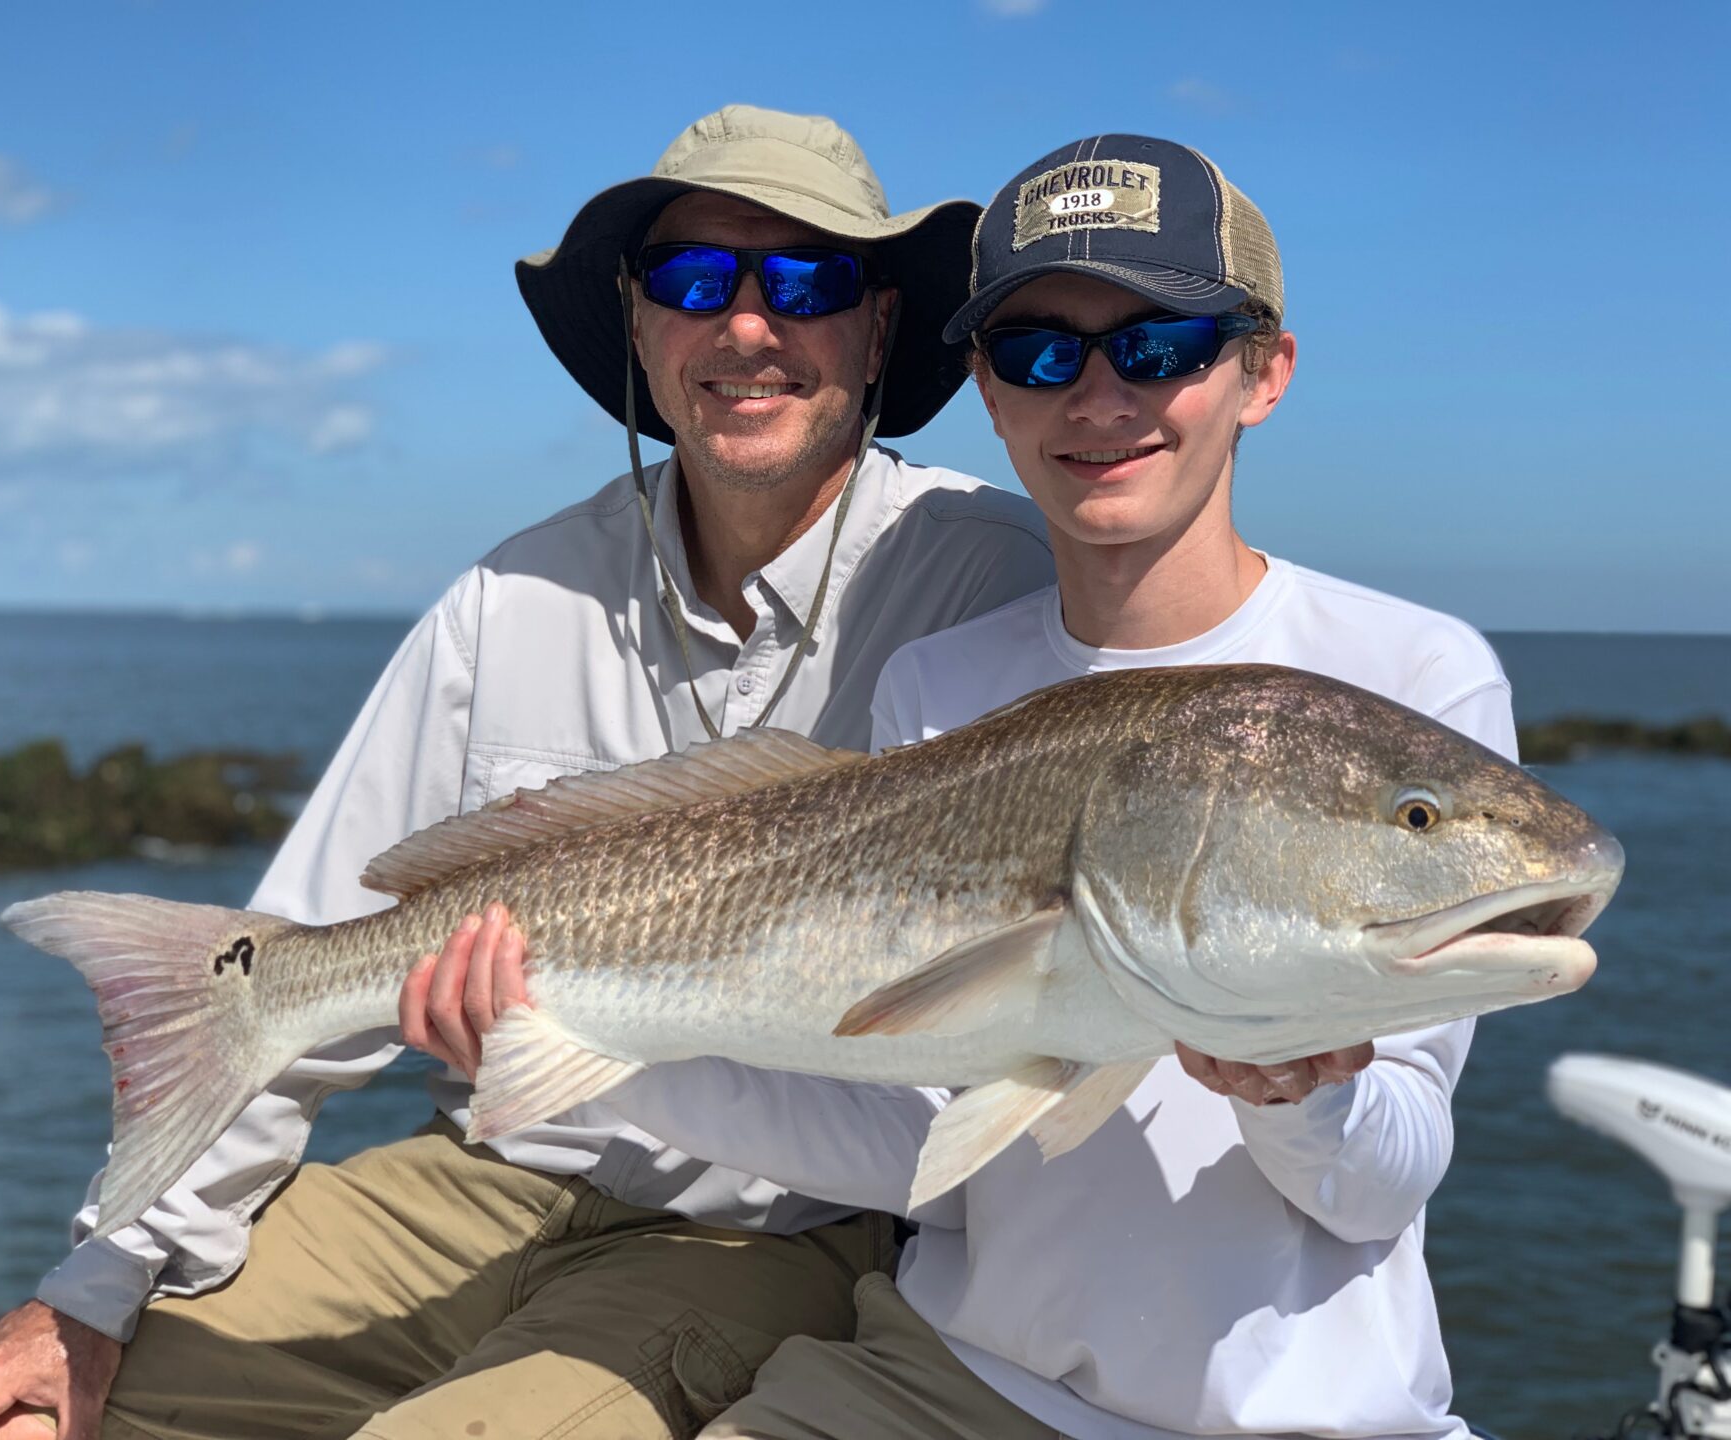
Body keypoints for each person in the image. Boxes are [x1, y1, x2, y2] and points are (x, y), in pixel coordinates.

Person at [0, 106, 1054, 1440]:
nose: (747, 326)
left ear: (876, 328)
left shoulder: (992, 582)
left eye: (807, 281)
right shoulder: (509, 596)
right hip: (484, 1179)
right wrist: (89, 1290)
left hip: (767, 1234)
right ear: (637, 323)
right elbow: (282, 973)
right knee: (19, 1423)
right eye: (692, 279)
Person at [419, 135, 1516, 1438]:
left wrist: (1301, 1091)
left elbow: (1385, 1181)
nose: (1099, 397)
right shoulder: (941, 682)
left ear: (1263, 372)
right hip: (936, 1375)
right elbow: (917, 1141)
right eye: (1043, 350)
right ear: (992, 393)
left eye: (1160, 345)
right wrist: (582, 1051)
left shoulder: (1407, 674)